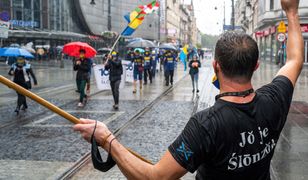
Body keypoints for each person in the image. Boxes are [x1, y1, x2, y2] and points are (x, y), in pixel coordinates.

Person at [73, 0, 303, 179]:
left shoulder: (205, 125)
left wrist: (106, 139)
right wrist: (291, 12)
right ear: (256, 65)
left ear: (215, 66)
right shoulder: (274, 99)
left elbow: (156, 177)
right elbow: (294, 60)